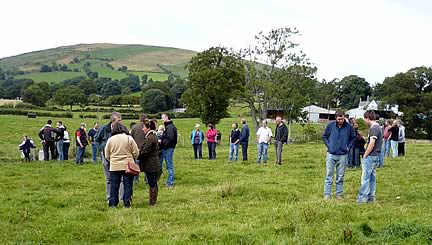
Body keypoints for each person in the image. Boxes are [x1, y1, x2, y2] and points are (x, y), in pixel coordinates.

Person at [322, 110, 356, 200]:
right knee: (329, 174)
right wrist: (329, 146)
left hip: (343, 155)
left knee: (340, 176)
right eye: (339, 119)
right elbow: (324, 136)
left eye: (342, 118)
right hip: (331, 154)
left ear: (344, 117)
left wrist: (348, 147)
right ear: (336, 118)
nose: (341, 120)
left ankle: (339, 195)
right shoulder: (330, 126)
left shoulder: (349, 127)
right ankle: (327, 194)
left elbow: (353, 138)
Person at [104, 123, 139, 208]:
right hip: (128, 165)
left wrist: (112, 160)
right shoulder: (129, 138)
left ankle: (113, 203)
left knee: (114, 185)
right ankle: (127, 202)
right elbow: (136, 152)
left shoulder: (111, 140)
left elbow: (107, 154)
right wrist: (132, 158)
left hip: (114, 166)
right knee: (128, 185)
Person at [95, 112, 123, 202]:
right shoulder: (104, 129)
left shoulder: (122, 129)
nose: (120, 123)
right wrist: (101, 149)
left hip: (118, 155)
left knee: (121, 178)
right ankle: (109, 197)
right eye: (118, 121)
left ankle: (121, 197)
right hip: (106, 155)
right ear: (113, 121)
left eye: (120, 121)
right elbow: (96, 139)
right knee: (109, 178)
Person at [357, 110, 383, 204]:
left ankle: (362, 199)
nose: (364, 121)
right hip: (376, 155)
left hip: (371, 156)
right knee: (372, 177)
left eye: (364, 119)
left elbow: (371, 144)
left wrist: (365, 155)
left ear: (367, 118)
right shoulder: (379, 127)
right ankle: (371, 198)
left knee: (365, 178)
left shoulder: (374, 128)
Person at [138, 119, 160, 206]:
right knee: (153, 182)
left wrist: (137, 156)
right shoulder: (153, 136)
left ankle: (152, 202)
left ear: (148, 128)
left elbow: (145, 151)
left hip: (150, 164)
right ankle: (153, 201)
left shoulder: (150, 138)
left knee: (152, 183)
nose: (142, 129)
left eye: (143, 127)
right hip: (154, 163)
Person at [160, 113, 177, 188]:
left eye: (163, 118)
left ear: (167, 117)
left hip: (168, 148)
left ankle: (170, 182)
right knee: (168, 165)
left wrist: (162, 142)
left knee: (169, 165)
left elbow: (170, 138)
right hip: (168, 147)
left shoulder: (170, 127)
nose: (162, 119)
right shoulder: (169, 126)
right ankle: (169, 181)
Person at [131, 114, 148, 183]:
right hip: (145, 149)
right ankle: (147, 180)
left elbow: (131, 138)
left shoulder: (134, 127)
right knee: (146, 166)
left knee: (136, 166)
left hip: (137, 149)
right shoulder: (147, 127)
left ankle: (136, 180)